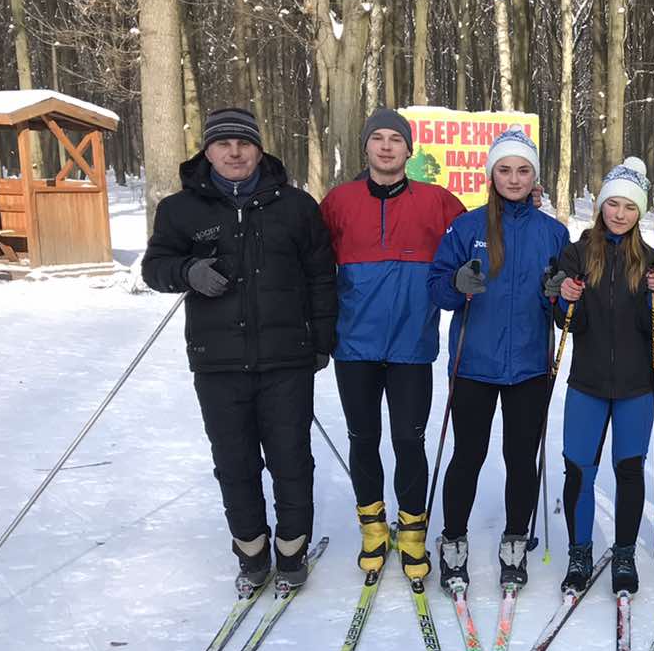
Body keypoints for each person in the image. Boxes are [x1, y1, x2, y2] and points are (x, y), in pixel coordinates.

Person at [141, 107, 336, 589]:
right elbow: (154, 267)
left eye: (244, 143)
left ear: (259, 149)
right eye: (223, 144)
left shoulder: (296, 206)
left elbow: (321, 277)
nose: (234, 152)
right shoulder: (180, 210)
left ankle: (291, 551)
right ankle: (251, 551)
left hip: (286, 358)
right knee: (235, 462)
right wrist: (187, 271)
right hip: (218, 362)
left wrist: (322, 340)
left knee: (291, 460)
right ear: (207, 151)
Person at [320, 109, 465, 581]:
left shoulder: (437, 201)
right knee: (363, 439)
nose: (386, 147)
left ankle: (412, 534)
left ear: (409, 149)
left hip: (411, 346)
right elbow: (309, 257)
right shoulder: (339, 202)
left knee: (408, 440)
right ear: (365, 146)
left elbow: (479, 235)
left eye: (395, 139)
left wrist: (524, 203)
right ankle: (373, 529)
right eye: (377, 138)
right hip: (354, 347)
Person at [426, 129, 568, 590]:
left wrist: (559, 296)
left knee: (521, 457)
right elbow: (437, 287)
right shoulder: (467, 227)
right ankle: (453, 539)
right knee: (468, 454)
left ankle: (515, 539)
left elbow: (567, 308)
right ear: (492, 174)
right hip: (474, 363)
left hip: (529, 364)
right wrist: (456, 285)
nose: (514, 178)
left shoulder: (553, 232)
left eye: (523, 170)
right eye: (504, 170)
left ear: (534, 176)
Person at [547, 157, 654, 596]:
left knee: (629, 469)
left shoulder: (649, 259)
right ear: (600, 206)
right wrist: (565, 298)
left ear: (639, 213)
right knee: (579, 470)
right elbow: (569, 323)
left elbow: (653, 326)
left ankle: (624, 554)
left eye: (630, 207)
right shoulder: (577, 254)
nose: (620, 213)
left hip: (636, 385)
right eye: (613, 204)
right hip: (588, 383)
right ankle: (579, 552)